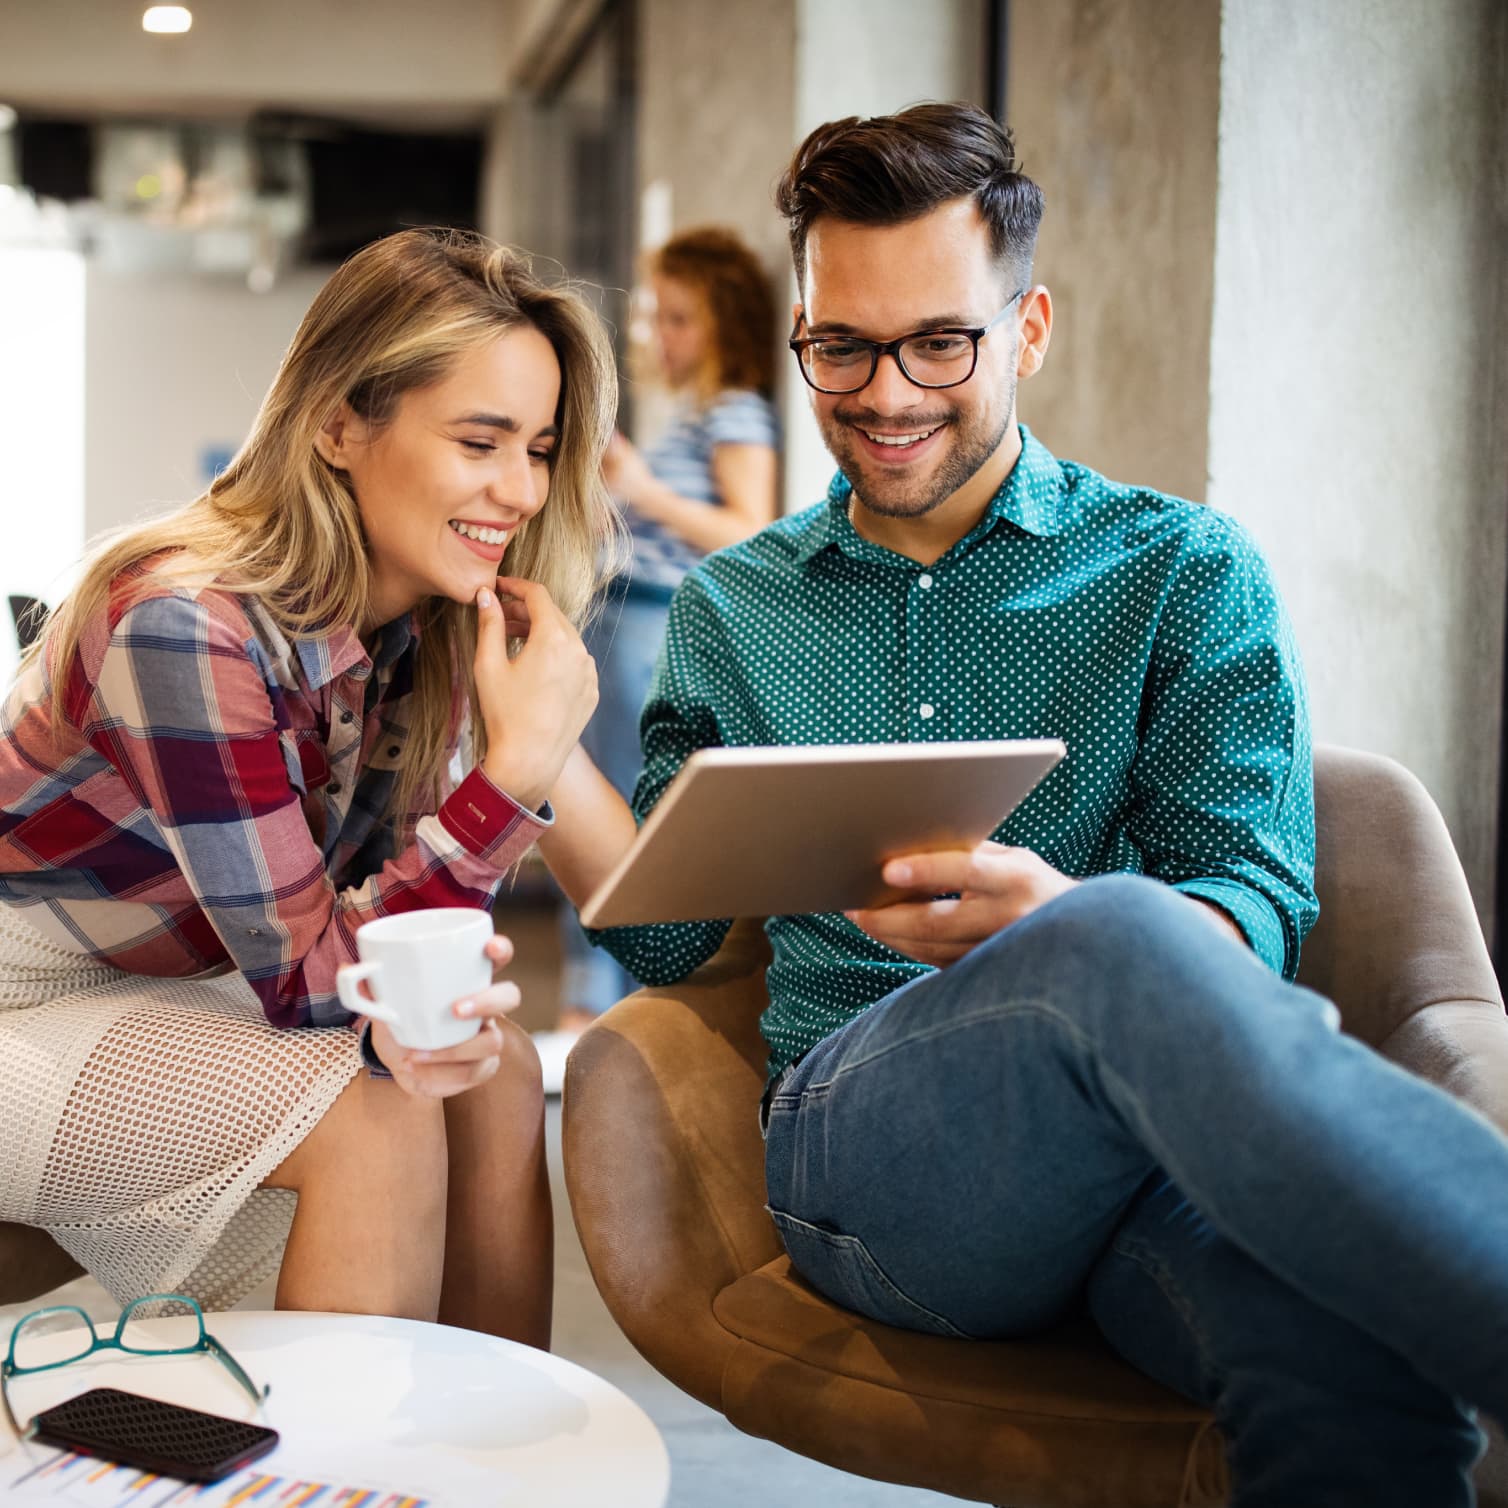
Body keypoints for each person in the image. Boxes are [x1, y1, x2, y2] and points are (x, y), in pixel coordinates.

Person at [538, 104, 1508, 1502]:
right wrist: (538, 754)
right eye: (840, 346)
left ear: (1028, 328)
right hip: (873, 1165)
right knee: (1107, 936)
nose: (885, 394)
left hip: (1147, 1168)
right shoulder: (734, 608)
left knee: (1350, 1365)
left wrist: (1056, 926)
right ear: (800, 332)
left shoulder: (1183, 571)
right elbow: (673, 943)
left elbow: (1252, 904)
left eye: (940, 341)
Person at [0, 228, 618, 1349]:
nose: (522, 489)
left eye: (538, 448)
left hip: (169, 980)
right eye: (479, 441)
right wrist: (511, 775)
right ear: (337, 425)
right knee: (370, 1112)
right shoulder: (184, 625)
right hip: (19, 995)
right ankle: (348, 1448)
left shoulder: (427, 628)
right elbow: (315, 982)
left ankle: (473, 1441)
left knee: (494, 1078)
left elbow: (387, 949)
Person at [547, 227, 779, 1052]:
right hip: (626, 617)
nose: (662, 337)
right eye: (659, 318)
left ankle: (595, 1007)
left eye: (680, 319)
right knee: (596, 800)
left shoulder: (738, 413)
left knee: (612, 809)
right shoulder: (696, 416)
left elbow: (749, 530)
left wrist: (642, 490)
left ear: (724, 324)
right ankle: (596, 1002)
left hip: (654, 622)